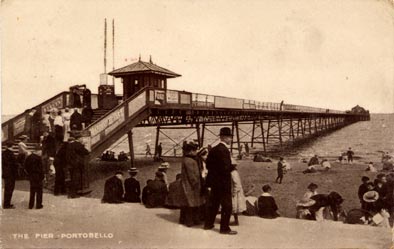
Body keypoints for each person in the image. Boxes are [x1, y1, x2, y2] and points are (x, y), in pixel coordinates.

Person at [204, 127, 237, 235]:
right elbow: (225, 168)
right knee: (227, 206)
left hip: (214, 182)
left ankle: (208, 224)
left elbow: (208, 165)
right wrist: (233, 167)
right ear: (224, 137)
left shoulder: (214, 149)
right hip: (223, 182)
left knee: (214, 204)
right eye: (229, 137)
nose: (231, 139)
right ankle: (224, 228)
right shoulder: (224, 150)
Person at [179, 142, 205, 227]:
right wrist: (196, 183)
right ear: (190, 151)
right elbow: (192, 175)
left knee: (189, 204)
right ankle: (191, 221)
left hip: (188, 185)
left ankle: (186, 220)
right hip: (192, 186)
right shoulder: (190, 161)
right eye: (194, 150)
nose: (195, 152)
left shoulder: (186, 160)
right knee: (192, 204)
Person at [65, 134, 89, 198]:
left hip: (70, 164)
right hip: (77, 164)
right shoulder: (78, 144)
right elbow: (86, 152)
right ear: (79, 138)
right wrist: (84, 145)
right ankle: (73, 195)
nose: (82, 139)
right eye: (82, 138)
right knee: (76, 179)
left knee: (72, 178)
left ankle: (71, 193)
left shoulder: (70, 145)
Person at [2, 143, 18, 209]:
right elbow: (14, 164)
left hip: (6, 173)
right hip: (11, 174)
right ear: (12, 146)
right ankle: (7, 204)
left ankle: (6, 203)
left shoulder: (3, 153)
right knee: (10, 189)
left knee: (7, 189)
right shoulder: (11, 154)